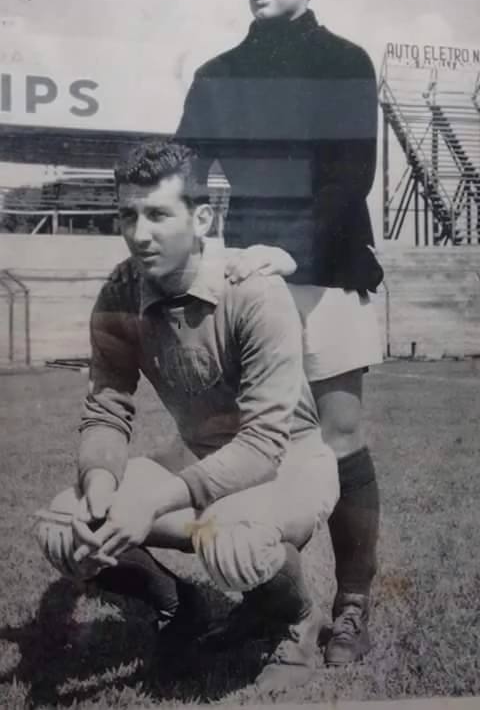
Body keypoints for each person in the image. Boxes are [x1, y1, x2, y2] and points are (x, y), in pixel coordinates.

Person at [35, 140, 339, 695]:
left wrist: (151, 499)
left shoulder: (254, 292)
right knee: (64, 523)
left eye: (157, 214)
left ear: (201, 217)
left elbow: (266, 442)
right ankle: (182, 604)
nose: (138, 232)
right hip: (199, 457)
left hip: (287, 460)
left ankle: (296, 618)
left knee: (232, 541)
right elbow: (106, 408)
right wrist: (103, 491)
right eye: (127, 214)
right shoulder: (120, 292)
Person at [176, 0, 384, 665]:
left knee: (340, 439)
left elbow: (348, 180)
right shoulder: (218, 74)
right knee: (255, 450)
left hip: (327, 275)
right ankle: (276, 604)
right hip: (250, 288)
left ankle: (351, 604)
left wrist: (280, 252)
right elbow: (185, 178)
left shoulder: (346, 62)